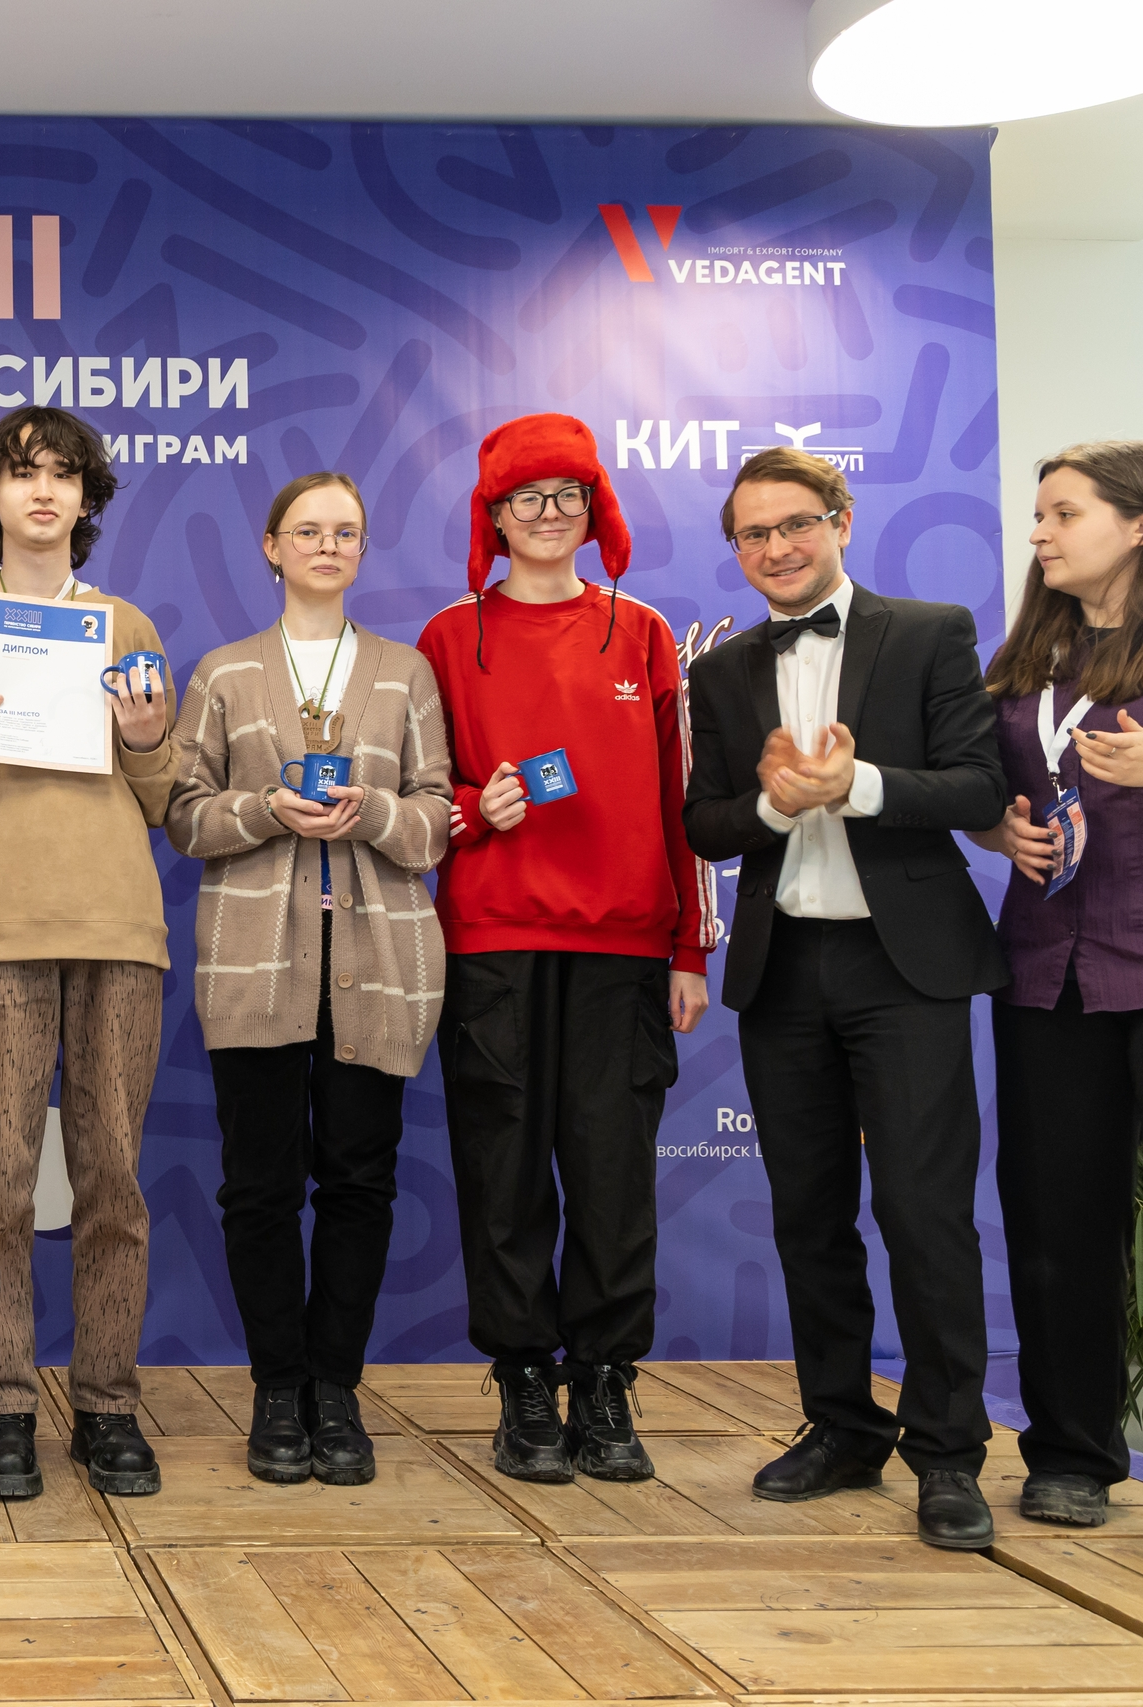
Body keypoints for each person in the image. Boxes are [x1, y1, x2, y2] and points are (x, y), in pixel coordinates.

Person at [684, 446, 1007, 1550]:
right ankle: (839, 1426)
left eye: (796, 524)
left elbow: (977, 785)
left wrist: (854, 784)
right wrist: (775, 805)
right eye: (754, 533)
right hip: (783, 972)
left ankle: (948, 1453)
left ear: (842, 521)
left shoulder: (928, 632)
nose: (777, 548)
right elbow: (704, 824)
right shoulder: (722, 672)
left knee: (923, 1213)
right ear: (736, 550)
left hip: (904, 968)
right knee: (809, 1217)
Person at [414, 413, 713, 1487]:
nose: (548, 514)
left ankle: (605, 1377)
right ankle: (523, 1381)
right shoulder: (448, 637)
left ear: (595, 511)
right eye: (526, 499)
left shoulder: (643, 631)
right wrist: (469, 807)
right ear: (493, 518)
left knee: (611, 1170)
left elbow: (683, 801)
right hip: (492, 940)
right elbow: (420, 791)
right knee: (501, 1169)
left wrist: (690, 947)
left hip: (624, 949)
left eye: (568, 496)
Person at [0, 405, 177, 1500]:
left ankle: (107, 1403)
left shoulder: (125, 623)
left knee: (113, 1183)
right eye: (22, 474)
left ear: (87, 499)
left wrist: (147, 740)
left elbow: (161, 796)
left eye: (64, 474)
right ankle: (3, 1407)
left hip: (116, 928)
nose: (44, 491)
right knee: (1, 1184)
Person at [168, 472, 452, 1487]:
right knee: (258, 1188)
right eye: (308, 530)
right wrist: (264, 810)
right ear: (271, 546)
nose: (327, 546)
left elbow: (436, 819)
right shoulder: (224, 673)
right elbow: (183, 815)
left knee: (359, 1183)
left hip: (379, 963)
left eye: (345, 532)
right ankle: (276, 1389)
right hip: (254, 959)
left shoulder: (405, 672)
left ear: (361, 549)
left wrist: (373, 811)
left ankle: (336, 1389)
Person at [970, 442, 1143, 1529]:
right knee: (1057, 1224)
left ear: (1136, 523)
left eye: (1064, 513)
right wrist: (995, 827)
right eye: (1037, 515)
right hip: (1049, 975)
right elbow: (978, 786)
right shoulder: (1026, 661)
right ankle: (1072, 1453)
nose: (1039, 532)